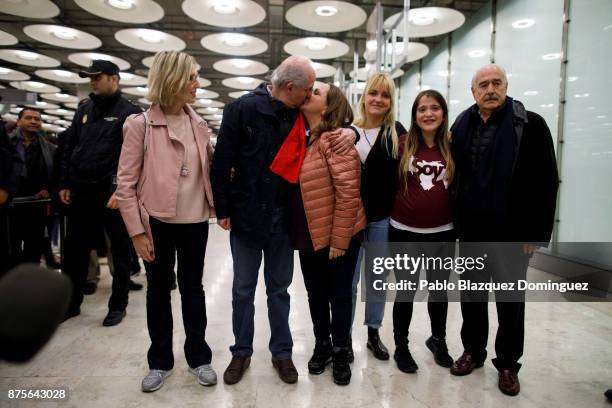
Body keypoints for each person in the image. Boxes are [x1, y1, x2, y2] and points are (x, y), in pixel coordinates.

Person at [211, 55, 355, 385]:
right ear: (290, 87)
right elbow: (222, 162)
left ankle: (282, 353)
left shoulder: (299, 116)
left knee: (280, 289)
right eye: (306, 91)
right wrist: (223, 210)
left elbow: (333, 127)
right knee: (242, 289)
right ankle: (241, 351)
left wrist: (352, 133)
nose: (308, 97)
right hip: (246, 216)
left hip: (284, 218)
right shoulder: (241, 109)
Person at [449, 64, 558, 396]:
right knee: (472, 296)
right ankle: (473, 351)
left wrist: (536, 233)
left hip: (512, 234)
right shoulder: (461, 124)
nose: (490, 89)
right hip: (471, 231)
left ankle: (508, 363)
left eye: (497, 83)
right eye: (483, 84)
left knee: (510, 301)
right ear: (473, 91)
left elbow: (547, 181)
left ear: (507, 86)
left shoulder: (529, 124)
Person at [117, 51, 217, 392]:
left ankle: (199, 357)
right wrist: (136, 232)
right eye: (191, 77)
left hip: (195, 221)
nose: (197, 84)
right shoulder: (139, 125)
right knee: (158, 289)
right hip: (156, 222)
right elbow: (125, 185)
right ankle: (159, 361)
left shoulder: (199, 125)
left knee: (194, 288)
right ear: (172, 79)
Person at [284, 83, 365, 385]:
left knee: (340, 296)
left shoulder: (337, 141)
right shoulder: (304, 138)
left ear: (329, 108)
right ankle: (323, 345)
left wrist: (340, 240)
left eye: (316, 93)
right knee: (316, 294)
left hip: (339, 233)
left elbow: (348, 193)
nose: (308, 94)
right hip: (309, 232)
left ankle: (341, 350)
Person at [59, 60, 141, 326]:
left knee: (120, 251)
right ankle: (70, 303)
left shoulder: (129, 111)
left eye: (98, 77)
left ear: (114, 79)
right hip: (81, 191)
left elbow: (133, 157)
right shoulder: (84, 109)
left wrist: (121, 190)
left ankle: (118, 305)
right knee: (74, 252)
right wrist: (65, 183)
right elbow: (70, 147)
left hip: (111, 194)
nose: (92, 81)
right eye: (90, 77)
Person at [388, 90, 455, 373]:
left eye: (435, 108)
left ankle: (437, 339)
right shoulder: (402, 143)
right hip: (404, 231)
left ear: (443, 113)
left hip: (443, 232)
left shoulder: (454, 145)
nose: (428, 114)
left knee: (439, 291)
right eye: (422, 109)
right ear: (414, 115)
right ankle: (401, 345)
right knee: (406, 291)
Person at [349, 73, 407, 361]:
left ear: (390, 101)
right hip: (350, 220)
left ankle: (373, 332)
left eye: (385, 95)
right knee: (348, 282)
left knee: (378, 280)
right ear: (364, 96)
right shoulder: (349, 131)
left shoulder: (397, 132)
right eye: (374, 93)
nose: (378, 99)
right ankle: (343, 337)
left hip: (382, 219)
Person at [7, 108, 55, 268]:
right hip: (10, 204)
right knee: (10, 246)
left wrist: (49, 189)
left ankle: (29, 282)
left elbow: (56, 174)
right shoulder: (6, 144)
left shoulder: (49, 149)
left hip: (36, 204)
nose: (33, 121)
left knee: (34, 246)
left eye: (37, 119)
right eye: (28, 118)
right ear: (19, 121)